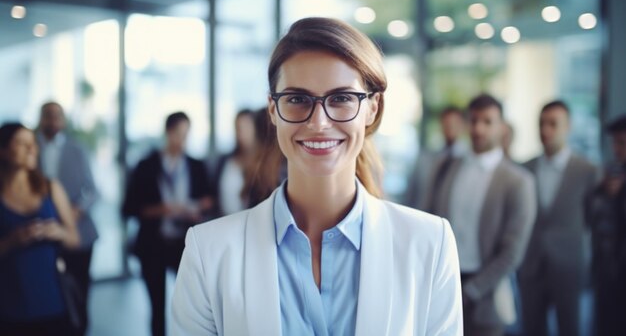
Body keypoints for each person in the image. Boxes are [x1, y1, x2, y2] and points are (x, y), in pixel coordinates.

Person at [171, 17, 463, 335]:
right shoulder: (209, 252)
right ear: (272, 109)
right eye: (297, 99)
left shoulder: (429, 245)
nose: (319, 122)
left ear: (373, 108)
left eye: (341, 99)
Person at [425, 94, 536, 336]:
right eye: (474, 121)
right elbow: (429, 223)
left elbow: (513, 251)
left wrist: (473, 290)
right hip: (443, 284)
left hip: (487, 294)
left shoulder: (518, 182)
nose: (478, 128)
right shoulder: (446, 167)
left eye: (487, 122)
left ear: (502, 127)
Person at [122, 112, 213, 336]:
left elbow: (210, 200)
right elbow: (129, 208)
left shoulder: (195, 165)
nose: (182, 140)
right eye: (178, 134)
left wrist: (197, 208)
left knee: (194, 304)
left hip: (184, 245)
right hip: (153, 244)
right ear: (167, 133)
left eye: (186, 135)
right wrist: (162, 210)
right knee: (157, 307)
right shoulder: (146, 166)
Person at [517, 100, 598, 336]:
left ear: (568, 127)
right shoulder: (524, 170)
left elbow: (594, 219)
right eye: (541, 123)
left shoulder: (588, 171)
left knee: (570, 328)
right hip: (531, 266)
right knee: (531, 328)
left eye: (553, 124)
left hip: (569, 267)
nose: (545, 130)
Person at [0, 123, 80, 336]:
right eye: (21, 143)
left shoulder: (51, 187)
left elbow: (74, 239)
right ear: (4, 150)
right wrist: (13, 240)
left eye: (32, 143)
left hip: (53, 302)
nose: (31, 149)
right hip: (9, 307)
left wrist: (57, 232)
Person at [36, 101, 99, 336]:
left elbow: (92, 191)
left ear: (63, 120)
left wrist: (75, 211)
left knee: (79, 290)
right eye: (47, 116)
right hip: (42, 232)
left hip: (79, 232)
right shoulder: (31, 148)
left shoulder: (77, 149)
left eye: (57, 116)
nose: (52, 121)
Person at [588, 115, 626, 336]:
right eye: (614, 143)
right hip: (608, 270)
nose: (616, 149)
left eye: (622, 143)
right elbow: (593, 217)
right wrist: (604, 193)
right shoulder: (612, 173)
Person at [404, 106, 467, 210]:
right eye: (446, 124)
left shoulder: (467, 161)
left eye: (454, 124)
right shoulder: (427, 158)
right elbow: (412, 192)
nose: (450, 128)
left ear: (462, 126)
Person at [211, 109, 258, 216]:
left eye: (246, 127)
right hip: (223, 222)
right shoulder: (224, 160)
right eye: (238, 128)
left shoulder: (262, 164)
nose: (241, 133)